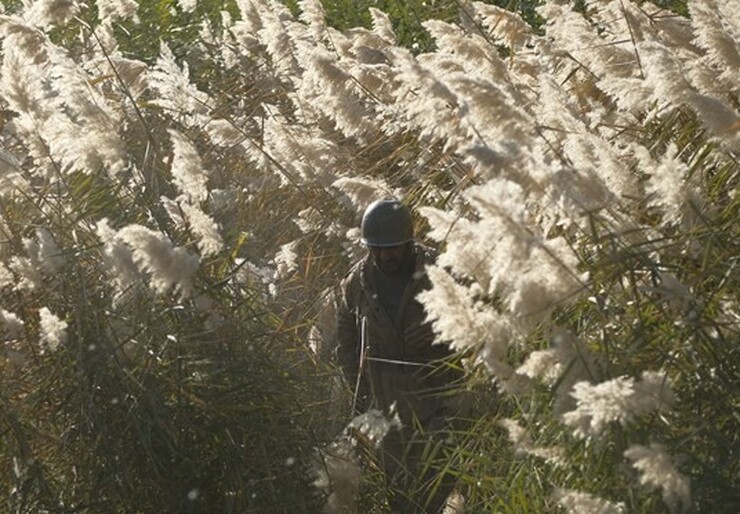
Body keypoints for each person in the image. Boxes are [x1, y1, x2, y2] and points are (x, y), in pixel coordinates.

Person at [335, 198, 461, 513]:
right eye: (378, 247)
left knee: (440, 493)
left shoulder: (437, 272)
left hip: (437, 405)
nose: (386, 255)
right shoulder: (358, 283)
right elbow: (346, 335)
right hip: (387, 411)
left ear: (408, 242)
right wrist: (360, 387)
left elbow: (472, 321)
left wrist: (437, 330)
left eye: (393, 247)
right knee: (401, 498)